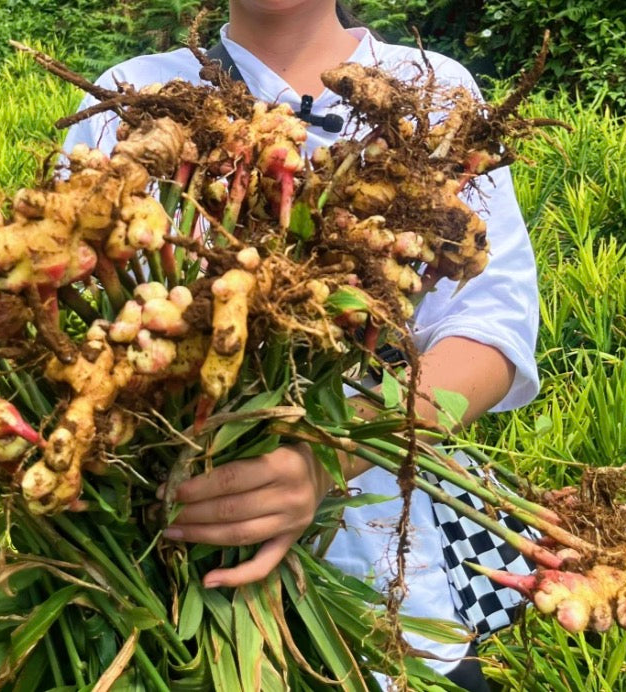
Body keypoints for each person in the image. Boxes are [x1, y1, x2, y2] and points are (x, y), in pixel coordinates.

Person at [62, 1, 539, 687]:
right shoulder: (129, 94)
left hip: (387, 580)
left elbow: (491, 328)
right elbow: (83, 310)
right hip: (164, 553)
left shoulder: (434, 88)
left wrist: (331, 455)